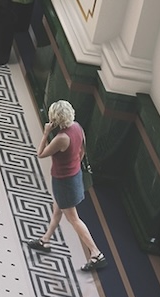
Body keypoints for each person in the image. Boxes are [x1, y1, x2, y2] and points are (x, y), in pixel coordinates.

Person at [32, 100, 110, 271]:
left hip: (64, 181)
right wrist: (72, 164)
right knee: (57, 209)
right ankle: (45, 240)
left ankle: (96, 254)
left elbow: (40, 153)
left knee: (73, 219)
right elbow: (81, 152)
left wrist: (46, 133)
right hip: (74, 177)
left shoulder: (61, 138)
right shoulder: (77, 128)